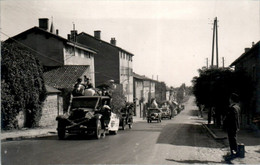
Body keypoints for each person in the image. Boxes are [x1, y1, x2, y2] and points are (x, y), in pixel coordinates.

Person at [224, 93, 240, 158]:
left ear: (232, 99)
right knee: (233, 139)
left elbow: (232, 118)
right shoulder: (237, 107)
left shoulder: (232, 108)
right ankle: (234, 152)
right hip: (235, 126)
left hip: (231, 126)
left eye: (230, 98)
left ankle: (234, 153)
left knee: (232, 140)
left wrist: (226, 122)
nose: (229, 100)